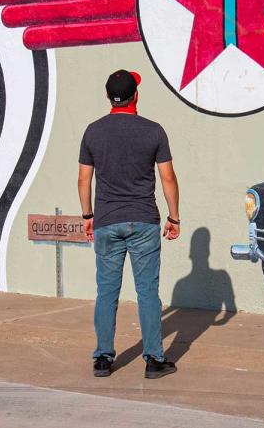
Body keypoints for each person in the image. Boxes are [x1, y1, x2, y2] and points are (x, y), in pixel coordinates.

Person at [78, 69, 181, 379]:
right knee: (147, 292)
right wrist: (174, 217)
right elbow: (167, 177)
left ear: (109, 97)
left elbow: (84, 179)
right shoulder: (154, 131)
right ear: (136, 96)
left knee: (106, 292)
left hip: (107, 221)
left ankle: (103, 359)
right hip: (144, 221)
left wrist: (87, 216)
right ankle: (153, 359)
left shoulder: (93, 132)